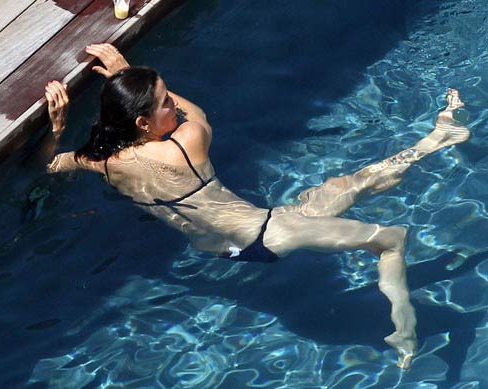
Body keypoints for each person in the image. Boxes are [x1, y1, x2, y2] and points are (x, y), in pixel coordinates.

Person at [42, 43, 471, 369]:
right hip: (269, 234)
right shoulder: (185, 145)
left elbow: (52, 164)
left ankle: (436, 139)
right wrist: (126, 70)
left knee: (349, 185)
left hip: (237, 243)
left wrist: (58, 128)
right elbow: (199, 114)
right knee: (392, 240)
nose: (172, 102)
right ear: (143, 122)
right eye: (165, 99)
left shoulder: (106, 161)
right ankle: (403, 330)